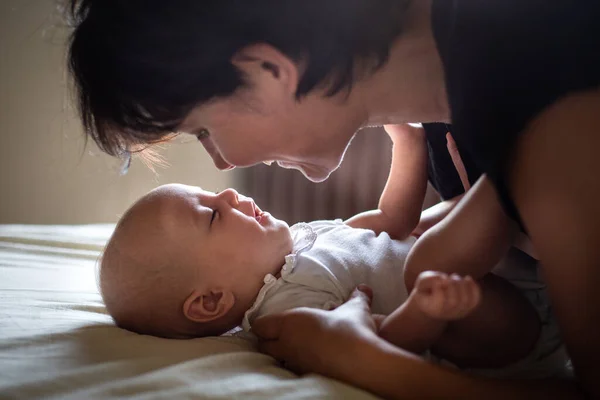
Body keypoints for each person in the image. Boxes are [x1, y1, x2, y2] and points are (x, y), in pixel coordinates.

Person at [66, 0, 600, 397]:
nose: (223, 165)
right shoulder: (454, 130)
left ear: (267, 72)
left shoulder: (547, 101)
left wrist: (363, 361)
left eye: (203, 132)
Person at [99, 125, 563, 378]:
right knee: (429, 259)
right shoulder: (285, 310)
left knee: (431, 222)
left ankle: (511, 181)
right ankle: (516, 170)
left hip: (510, 272)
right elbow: (377, 342)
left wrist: (408, 142)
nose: (231, 196)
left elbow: (391, 220)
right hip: (498, 332)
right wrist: (426, 310)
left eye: (214, 194)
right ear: (210, 301)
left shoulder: (303, 237)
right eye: (214, 216)